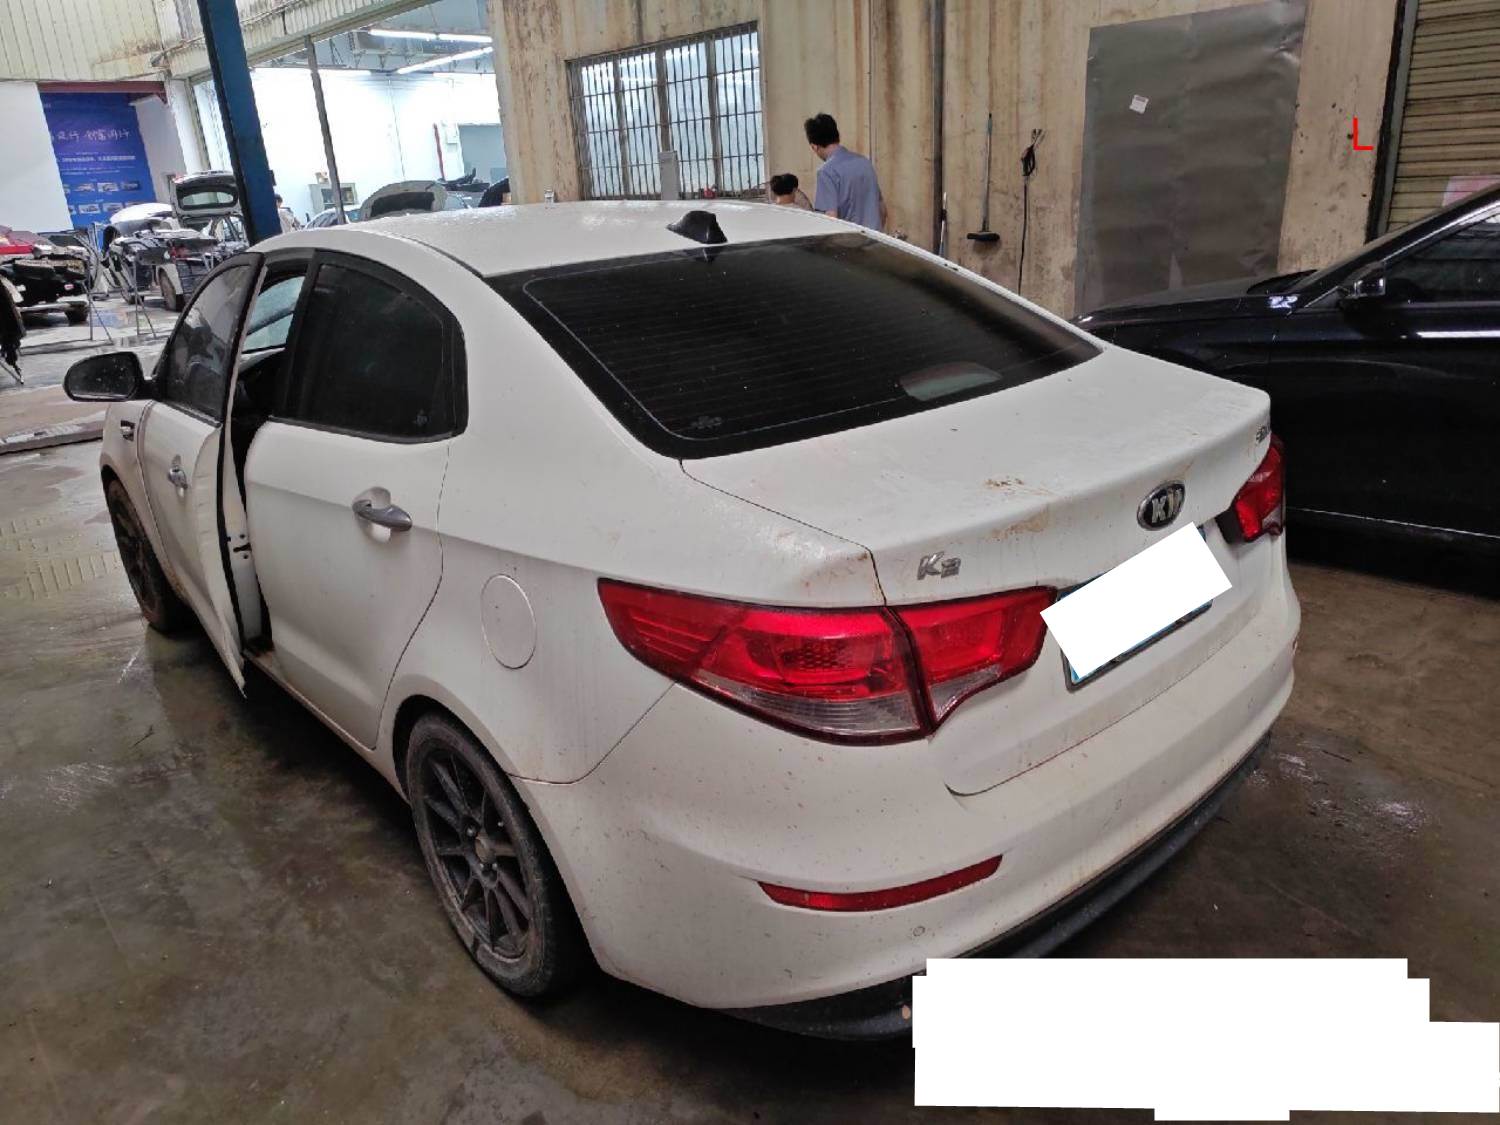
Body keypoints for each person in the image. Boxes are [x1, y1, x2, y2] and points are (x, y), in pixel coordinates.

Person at [804, 113, 887, 231]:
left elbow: (830, 218)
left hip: (848, 240)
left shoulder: (826, 172)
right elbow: (882, 210)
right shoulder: (865, 163)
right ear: (837, 136)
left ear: (814, 146)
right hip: (874, 238)